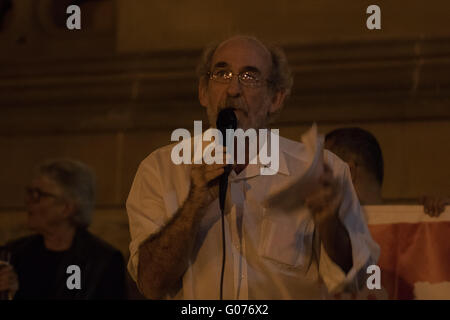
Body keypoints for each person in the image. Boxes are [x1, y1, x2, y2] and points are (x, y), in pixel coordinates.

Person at [126, 35, 380, 299]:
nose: (233, 89)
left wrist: (330, 226)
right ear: (203, 91)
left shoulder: (322, 169)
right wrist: (194, 205)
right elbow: (151, 284)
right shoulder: (160, 169)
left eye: (249, 77)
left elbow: (357, 279)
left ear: (276, 98)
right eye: (221, 74)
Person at [0, 159, 126, 299]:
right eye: (30, 192)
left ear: (67, 208)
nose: (28, 201)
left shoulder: (103, 261)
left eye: (38, 195)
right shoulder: (12, 254)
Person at [324, 127, 448, 216]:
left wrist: (442, 214)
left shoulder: (420, 226)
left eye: (323, 171)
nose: (316, 183)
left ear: (349, 173)